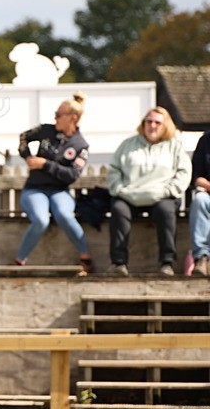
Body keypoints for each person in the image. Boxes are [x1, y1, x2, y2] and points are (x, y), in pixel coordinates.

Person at [12, 92, 95, 275]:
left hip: (59, 191)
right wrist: (28, 157)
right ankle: (20, 261)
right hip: (35, 189)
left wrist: (45, 164)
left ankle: (85, 256)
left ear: (72, 118)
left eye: (59, 115)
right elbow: (23, 138)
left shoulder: (80, 145)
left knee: (65, 215)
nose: (55, 118)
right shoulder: (46, 131)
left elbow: (72, 175)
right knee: (41, 220)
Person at [106, 107, 193, 276]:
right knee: (118, 209)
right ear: (143, 124)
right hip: (129, 195)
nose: (152, 126)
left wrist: (169, 190)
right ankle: (118, 263)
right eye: (149, 122)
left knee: (166, 211)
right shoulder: (127, 145)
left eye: (157, 123)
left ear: (165, 125)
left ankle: (166, 263)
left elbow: (184, 173)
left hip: (162, 196)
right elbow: (114, 171)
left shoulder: (175, 147)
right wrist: (120, 190)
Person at [189, 130, 210, 277]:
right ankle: (202, 258)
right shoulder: (205, 141)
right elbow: (195, 177)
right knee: (199, 200)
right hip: (208, 193)